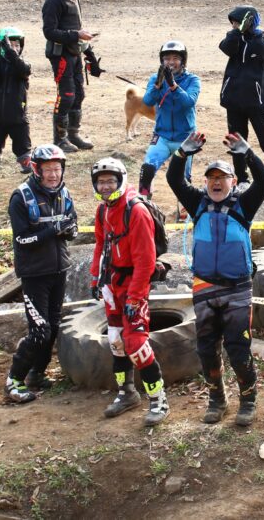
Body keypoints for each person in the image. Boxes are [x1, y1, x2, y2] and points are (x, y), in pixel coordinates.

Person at [167, 131, 264, 425]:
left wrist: (247, 153)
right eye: (211, 178)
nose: (216, 182)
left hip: (237, 288)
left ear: (232, 182)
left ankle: (248, 401)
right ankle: (217, 400)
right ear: (205, 182)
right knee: (206, 349)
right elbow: (174, 179)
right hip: (204, 287)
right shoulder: (197, 202)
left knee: (238, 349)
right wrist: (182, 153)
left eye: (222, 177)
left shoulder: (244, 204)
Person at [89, 157, 169, 426]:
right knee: (115, 339)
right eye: (101, 182)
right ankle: (126, 393)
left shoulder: (136, 211)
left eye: (110, 181)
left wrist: (135, 297)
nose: (105, 186)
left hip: (135, 283)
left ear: (121, 180)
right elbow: (100, 245)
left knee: (135, 342)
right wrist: (95, 279)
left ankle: (158, 400)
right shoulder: (103, 210)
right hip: (111, 282)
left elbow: (146, 261)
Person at [4, 145, 78, 404]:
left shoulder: (64, 193)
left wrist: (69, 231)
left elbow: (73, 226)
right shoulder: (21, 197)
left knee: (54, 327)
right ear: (37, 170)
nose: (54, 175)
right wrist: (53, 231)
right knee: (40, 330)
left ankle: (37, 373)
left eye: (57, 169)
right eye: (48, 170)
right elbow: (21, 239)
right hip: (34, 274)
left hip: (59, 269)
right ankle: (13, 380)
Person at [219, 5, 264, 186]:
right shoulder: (233, 37)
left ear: (251, 21)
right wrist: (237, 32)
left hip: (258, 102)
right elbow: (226, 48)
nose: (234, 25)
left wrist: (254, 33)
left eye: (238, 22)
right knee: (237, 141)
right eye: (233, 23)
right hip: (234, 101)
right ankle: (242, 178)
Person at [42, 0, 97, 153]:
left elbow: (76, 26)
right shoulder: (54, 1)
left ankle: (73, 135)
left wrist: (89, 53)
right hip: (61, 55)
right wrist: (76, 35)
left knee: (79, 94)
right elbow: (49, 32)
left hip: (74, 52)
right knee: (66, 95)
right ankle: (60, 139)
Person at [0, 26, 33, 209]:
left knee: (26, 159)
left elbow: (23, 69)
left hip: (18, 121)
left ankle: (36, 192)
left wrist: (10, 52)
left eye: (17, 45)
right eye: (10, 44)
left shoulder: (21, 65)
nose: (14, 48)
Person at [139, 40, 201, 201]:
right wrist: (158, 85)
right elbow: (147, 101)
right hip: (162, 136)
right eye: (167, 58)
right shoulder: (155, 78)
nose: (171, 62)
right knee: (147, 170)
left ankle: (185, 208)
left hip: (185, 138)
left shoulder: (193, 80)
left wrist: (173, 86)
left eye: (175, 58)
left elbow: (188, 102)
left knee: (183, 179)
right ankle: (143, 205)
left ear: (183, 60)